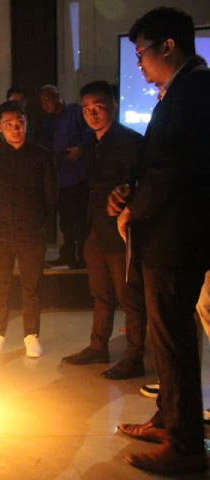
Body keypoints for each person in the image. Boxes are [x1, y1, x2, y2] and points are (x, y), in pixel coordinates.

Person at [109, 7, 210, 475]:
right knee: (167, 334)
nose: (139, 64)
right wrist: (129, 190)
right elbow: (158, 162)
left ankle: (185, 445)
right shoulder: (180, 90)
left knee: (173, 341)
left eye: (142, 53)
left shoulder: (196, 91)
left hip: (178, 237)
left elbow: (176, 169)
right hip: (167, 234)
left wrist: (136, 208)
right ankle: (168, 418)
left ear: (168, 46)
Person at [61, 81, 147, 380]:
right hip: (95, 229)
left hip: (121, 232)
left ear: (114, 105)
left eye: (98, 107)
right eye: (86, 109)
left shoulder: (131, 142)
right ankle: (98, 346)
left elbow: (143, 183)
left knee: (129, 296)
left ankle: (134, 357)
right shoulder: (91, 144)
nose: (92, 114)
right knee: (100, 293)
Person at [0, 101, 57, 358]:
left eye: (19, 123)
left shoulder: (41, 156)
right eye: (9, 125)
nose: (15, 129)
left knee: (32, 286)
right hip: (1, 231)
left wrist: (37, 220)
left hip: (31, 231)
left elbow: (50, 194)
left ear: (26, 123)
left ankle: (31, 335)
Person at [41, 85, 92, 269]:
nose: (45, 104)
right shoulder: (48, 122)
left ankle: (82, 256)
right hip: (60, 175)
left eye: (48, 99)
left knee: (79, 218)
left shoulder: (75, 112)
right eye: (43, 101)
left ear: (57, 97)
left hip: (78, 174)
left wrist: (80, 149)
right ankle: (68, 254)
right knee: (65, 220)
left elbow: (90, 132)